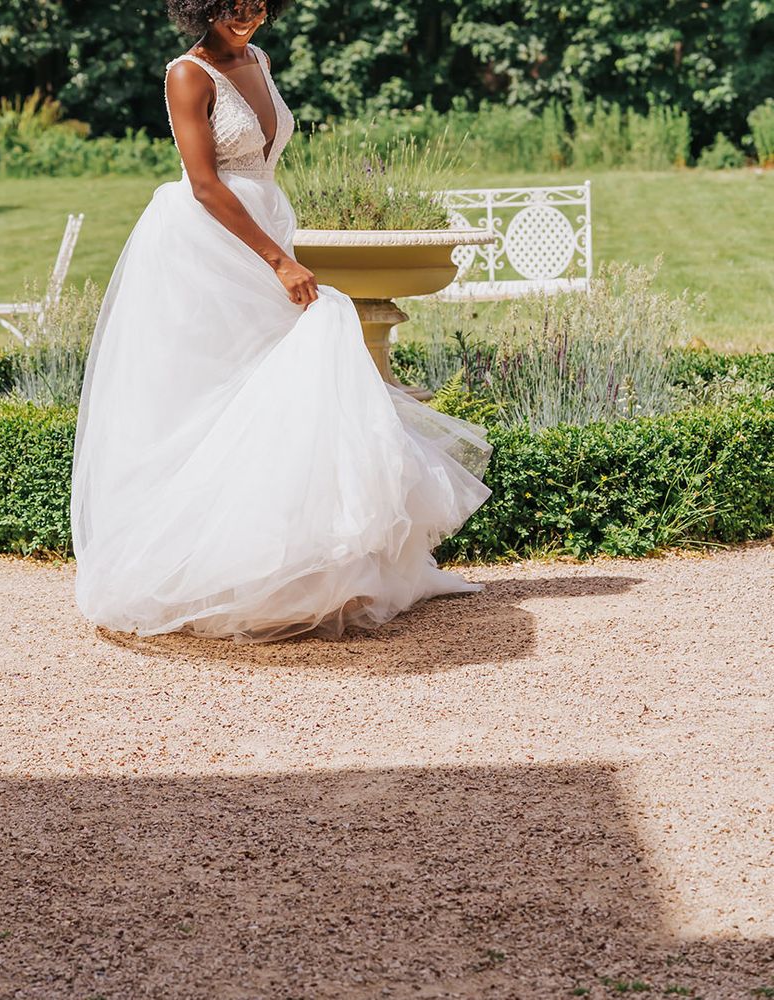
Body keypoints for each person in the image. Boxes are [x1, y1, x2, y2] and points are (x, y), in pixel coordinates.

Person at [70, 0, 493, 643]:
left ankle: (307, 571)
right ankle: (214, 573)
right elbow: (205, 183)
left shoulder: (259, 60)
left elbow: (260, 160)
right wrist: (278, 262)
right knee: (224, 390)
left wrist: (278, 244)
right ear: (202, 7)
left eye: (258, 6)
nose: (248, 18)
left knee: (281, 389)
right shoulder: (187, 74)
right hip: (208, 243)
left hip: (267, 220)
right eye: (234, 7)